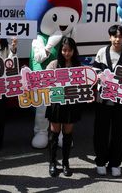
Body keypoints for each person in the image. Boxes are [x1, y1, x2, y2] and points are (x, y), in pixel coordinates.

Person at [92, 25, 122, 177]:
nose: (117, 39)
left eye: (120, 36)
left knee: (119, 133)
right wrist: (100, 77)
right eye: (114, 36)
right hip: (102, 101)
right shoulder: (101, 53)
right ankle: (100, 161)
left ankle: (115, 163)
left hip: (121, 101)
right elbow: (95, 71)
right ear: (109, 37)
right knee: (101, 132)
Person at [45, 37, 83, 177]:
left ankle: (66, 162)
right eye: (64, 50)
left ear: (74, 51)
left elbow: (84, 85)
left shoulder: (78, 66)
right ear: (60, 50)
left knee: (67, 135)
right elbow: (45, 82)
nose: (66, 53)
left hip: (71, 104)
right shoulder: (54, 64)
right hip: (56, 103)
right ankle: (53, 162)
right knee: (54, 134)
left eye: (69, 50)